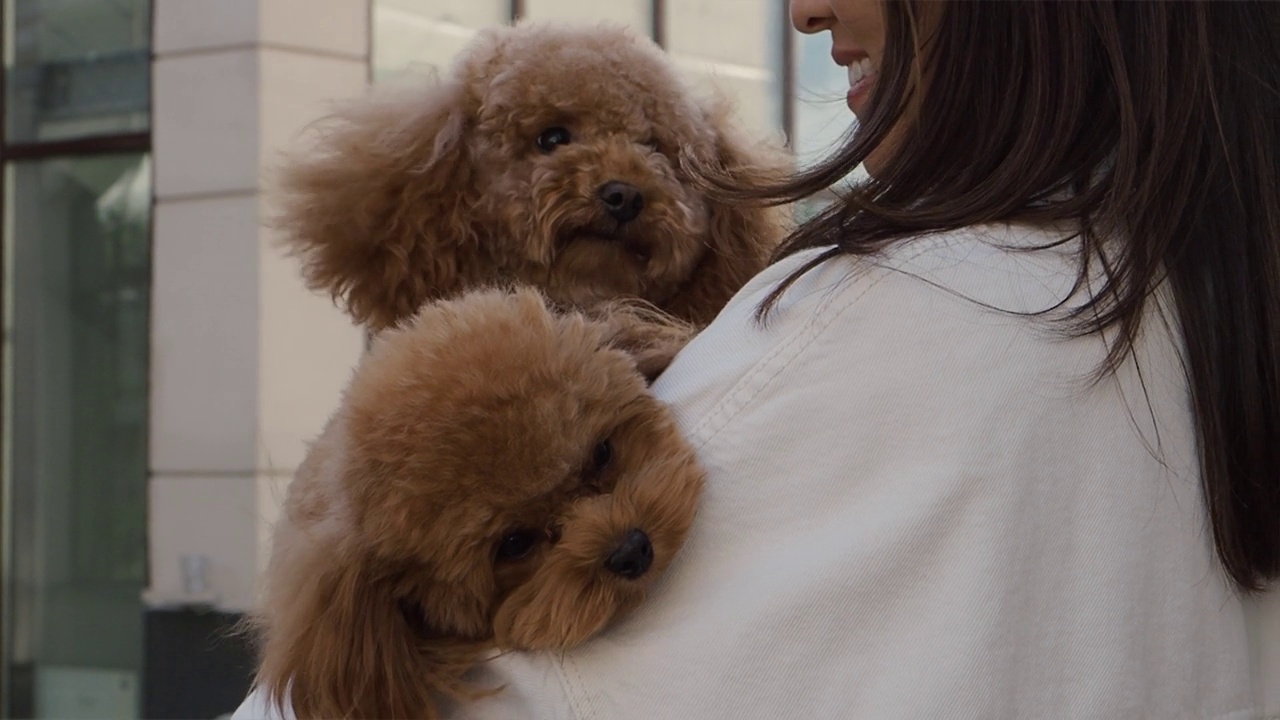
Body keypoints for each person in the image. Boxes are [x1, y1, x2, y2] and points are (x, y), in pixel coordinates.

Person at [233, 0, 1279, 717]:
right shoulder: (1221, 307)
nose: (804, 9)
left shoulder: (862, 332)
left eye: (655, 153)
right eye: (550, 143)